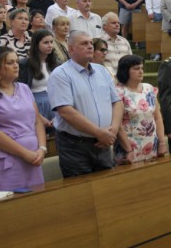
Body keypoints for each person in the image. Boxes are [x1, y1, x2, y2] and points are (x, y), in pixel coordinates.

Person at [48, 30, 123, 177]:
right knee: (80, 194)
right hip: (75, 146)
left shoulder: (101, 70)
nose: (90, 46)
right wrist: (98, 132)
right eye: (84, 43)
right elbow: (65, 111)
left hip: (104, 142)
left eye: (90, 43)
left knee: (106, 189)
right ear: (71, 49)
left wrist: (112, 131)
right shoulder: (60, 74)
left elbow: (117, 102)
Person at [0, 47, 47, 195]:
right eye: (10, 62)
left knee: (36, 204)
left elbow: (37, 121)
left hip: (33, 158)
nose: (16, 65)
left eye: (17, 62)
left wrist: (42, 149)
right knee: (8, 208)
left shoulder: (24, 88)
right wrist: (25, 153)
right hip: (5, 160)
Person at [114, 55, 167, 164]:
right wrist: (128, 149)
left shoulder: (149, 88)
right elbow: (117, 125)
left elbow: (157, 118)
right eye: (136, 68)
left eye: (142, 68)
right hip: (129, 148)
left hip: (151, 145)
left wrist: (162, 143)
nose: (141, 71)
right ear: (125, 71)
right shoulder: (118, 92)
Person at [19, 29, 59, 136]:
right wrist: (39, 116)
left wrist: (59, 115)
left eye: (51, 42)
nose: (50, 45)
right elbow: (21, 92)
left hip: (55, 104)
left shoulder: (57, 64)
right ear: (36, 44)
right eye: (45, 42)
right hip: (35, 104)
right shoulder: (25, 64)